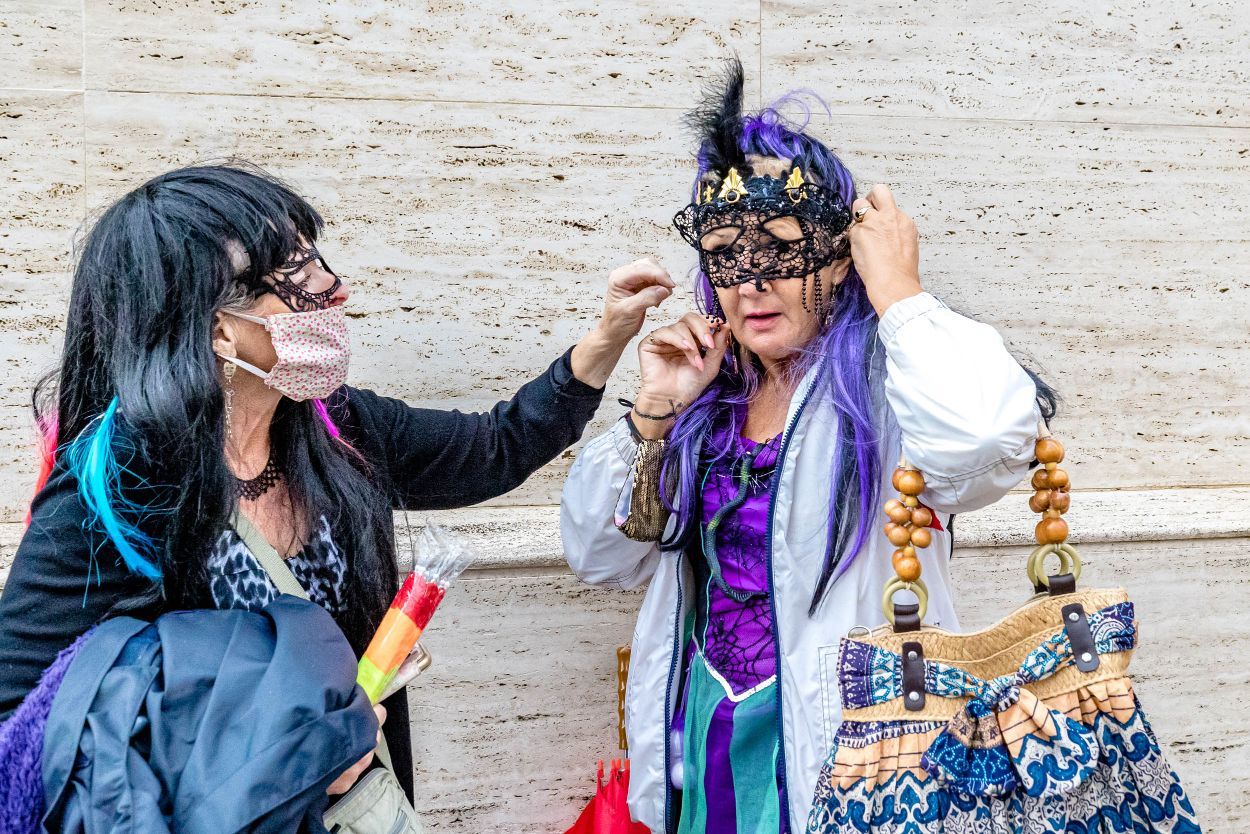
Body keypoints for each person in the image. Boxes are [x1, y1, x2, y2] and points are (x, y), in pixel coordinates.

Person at [0, 162, 674, 803]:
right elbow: (21, 714)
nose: (336, 289)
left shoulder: (334, 426)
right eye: (298, 275)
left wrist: (612, 334)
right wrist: (263, 752)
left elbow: (497, 446)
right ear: (220, 331)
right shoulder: (118, 487)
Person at [559, 61, 1055, 833]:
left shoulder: (894, 386)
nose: (752, 282)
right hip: (709, 734)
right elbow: (599, 557)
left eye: (782, 251)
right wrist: (656, 408)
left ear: (836, 256)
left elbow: (987, 441)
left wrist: (899, 292)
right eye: (727, 255)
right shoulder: (706, 401)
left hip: (851, 742)